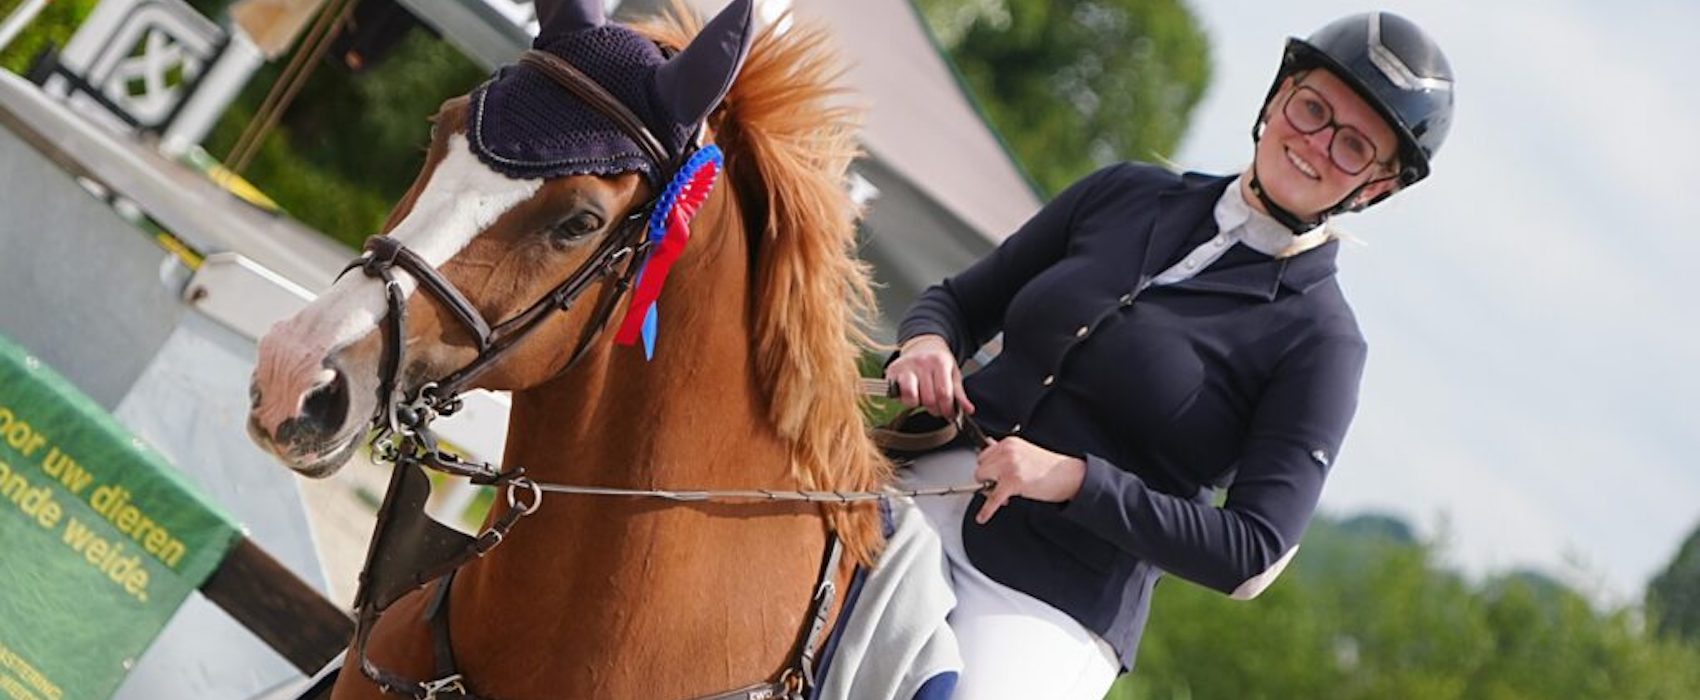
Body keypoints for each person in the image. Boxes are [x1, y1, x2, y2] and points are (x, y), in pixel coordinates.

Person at [883, 11, 1454, 698]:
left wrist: (1075, 480)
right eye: (1311, 109)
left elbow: (1251, 552)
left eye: (1354, 147)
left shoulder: (1323, 345)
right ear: (1279, 95)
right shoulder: (1124, 192)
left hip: (1042, 601)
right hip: (918, 485)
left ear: (1377, 188)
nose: (1316, 145)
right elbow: (960, 302)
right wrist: (926, 344)